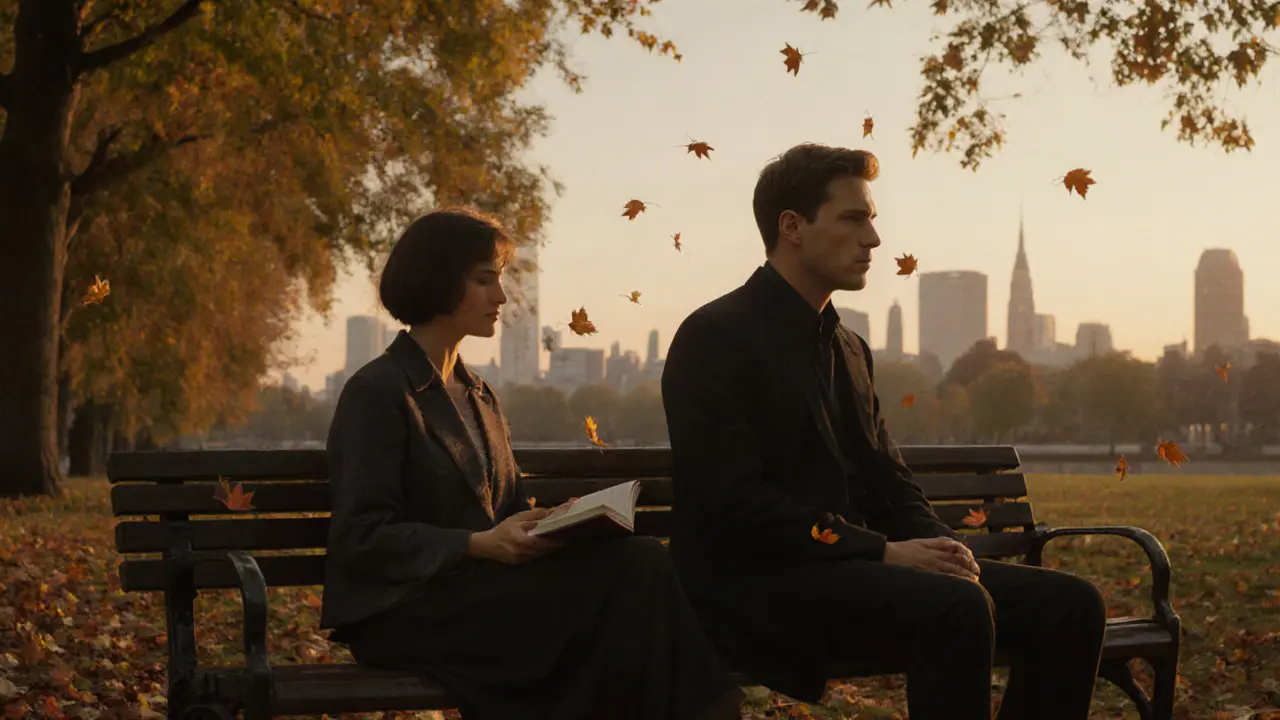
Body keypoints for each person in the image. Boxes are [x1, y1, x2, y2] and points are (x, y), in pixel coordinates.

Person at [660, 144, 1108, 720]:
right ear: (792, 227)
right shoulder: (714, 337)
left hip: (852, 575)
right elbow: (734, 504)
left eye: (872, 219)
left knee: (1073, 605)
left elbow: (890, 479)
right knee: (957, 607)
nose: (873, 238)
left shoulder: (849, 347)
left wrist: (941, 548)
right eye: (854, 218)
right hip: (756, 587)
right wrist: (885, 552)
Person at [319, 208, 744, 720]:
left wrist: (550, 523)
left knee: (639, 561)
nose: (501, 297)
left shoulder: (479, 395)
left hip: (482, 594)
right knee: (630, 589)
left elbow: (507, 509)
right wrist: (478, 544)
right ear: (435, 280)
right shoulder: (377, 393)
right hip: (408, 611)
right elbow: (361, 536)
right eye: (484, 281)